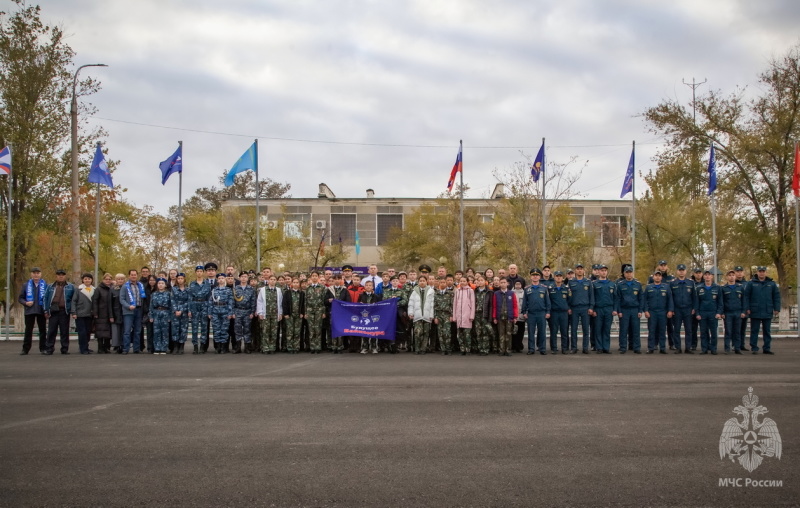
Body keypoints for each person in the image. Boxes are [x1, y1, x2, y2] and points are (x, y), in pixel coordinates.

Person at [745, 266, 780, 355]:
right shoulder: (751, 283)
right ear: (757, 272)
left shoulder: (771, 284)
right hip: (755, 310)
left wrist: (776, 308)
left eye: (763, 271)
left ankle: (767, 348)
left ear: (766, 272)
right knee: (754, 330)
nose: (761, 273)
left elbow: (776, 297)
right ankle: (754, 348)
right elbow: (746, 296)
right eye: (760, 271)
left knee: (767, 331)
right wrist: (747, 308)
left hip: (767, 310)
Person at [43, 269, 75, 355]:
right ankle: (49, 348)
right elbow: (45, 298)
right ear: (56, 276)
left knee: (64, 331)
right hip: (53, 311)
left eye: (63, 275)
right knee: (51, 331)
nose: (61, 276)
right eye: (59, 275)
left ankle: (64, 349)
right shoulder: (50, 286)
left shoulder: (70, 286)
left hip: (64, 311)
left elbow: (73, 300)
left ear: (65, 276)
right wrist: (46, 310)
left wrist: (73, 311)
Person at [669, 264, 697, 354]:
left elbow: (694, 297)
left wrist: (694, 308)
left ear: (686, 271)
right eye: (680, 270)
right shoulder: (672, 283)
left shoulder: (691, 282)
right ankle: (678, 347)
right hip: (677, 310)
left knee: (688, 330)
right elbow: (670, 298)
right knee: (676, 329)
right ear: (677, 271)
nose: (681, 271)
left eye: (683, 270)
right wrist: (671, 309)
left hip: (688, 309)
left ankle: (688, 347)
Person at [643, 271, 674, 354]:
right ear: (653, 277)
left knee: (662, 330)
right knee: (652, 331)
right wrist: (646, 310)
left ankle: (663, 348)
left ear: (661, 278)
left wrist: (670, 310)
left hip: (662, 312)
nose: (657, 277)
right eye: (656, 275)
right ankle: (650, 348)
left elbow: (670, 300)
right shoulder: (649, 287)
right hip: (652, 312)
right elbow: (645, 300)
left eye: (659, 276)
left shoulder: (666, 287)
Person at [18, 266, 47, 355]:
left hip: (41, 310)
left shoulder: (45, 285)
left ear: (40, 274)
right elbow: (20, 298)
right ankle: (25, 349)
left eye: (38, 273)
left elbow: (48, 298)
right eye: (34, 273)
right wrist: (26, 303)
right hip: (29, 311)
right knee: (28, 330)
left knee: (42, 330)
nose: (36, 275)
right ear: (31, 274)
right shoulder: (26, 285)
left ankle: (43, 348)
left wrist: (47, 310)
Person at [615, 266, 643, 354]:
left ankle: (636, 347)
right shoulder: (620, 284)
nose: (629, 274)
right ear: (624, 273)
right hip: (624, 310)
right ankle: (623, 347)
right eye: (627, 272)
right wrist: (619, 311)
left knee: (636, 330)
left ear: (632, 273)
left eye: (630, 272)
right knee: (623, 330)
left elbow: (641, 298)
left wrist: (640, 311)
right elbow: (618, 299)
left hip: (635, 309)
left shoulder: (637, 284)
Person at [521, 268, 550, 355]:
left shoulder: (544, 288)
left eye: (537, 275)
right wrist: (524, 312)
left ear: (539, 277)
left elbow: (547, 301)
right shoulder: (527, 289)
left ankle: (542, 348)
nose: (535, 277)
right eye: (533, 275)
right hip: (531, 314)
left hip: (541, 313)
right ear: (531, 277)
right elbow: (524, 302)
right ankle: (531, 349)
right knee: (531, 332)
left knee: (542, 332)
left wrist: (548, 311)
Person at [589, 264, 615, 354]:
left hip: (609, 309)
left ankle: (606, 347)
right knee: (598, 329)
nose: (604, 272)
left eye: (605, 270)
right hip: (598, 309)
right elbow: (592, 298)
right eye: (602, 270)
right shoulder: (594, 284)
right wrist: (593, 309)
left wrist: (614, 309)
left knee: (607, 329)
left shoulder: (612, 284)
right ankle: (599, 347)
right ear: (598, 272)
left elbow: (615, 298)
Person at [568, 263, 594, 354]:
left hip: (585, 308)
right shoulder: (571, 282)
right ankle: (574, 347)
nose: (579, 270)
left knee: (586, 329)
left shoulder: (588, 282)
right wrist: (569, 307)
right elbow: (568, 296)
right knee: (573, 329)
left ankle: (585, 347)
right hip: (574, 308)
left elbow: (591, 296)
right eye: (578, 268)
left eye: (581, 268)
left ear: (583, 270)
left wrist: (591, 307)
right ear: (575, 270)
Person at [696, 270, 723, 355]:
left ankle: (713, 348)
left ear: (712, 276)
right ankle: (704, 348)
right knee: (703, 332)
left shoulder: (717, 288)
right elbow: (697, 302)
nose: (707, 276)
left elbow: (720, 302)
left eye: (709, 275)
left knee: (714, 332)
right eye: (706, 275)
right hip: (703, 313)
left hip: (713, 313)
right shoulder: (699, 288)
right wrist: (697, 313)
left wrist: (719, 312)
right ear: (703, 277)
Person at [721, 269, 747, 354]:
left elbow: (744, 301)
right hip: (728, 313)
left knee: (737, 331)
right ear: (727, 277)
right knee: (728, 331)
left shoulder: (740, 287)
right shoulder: (723, 288)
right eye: (729, 275)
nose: (731, 277)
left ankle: (737, 348)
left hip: (738, 312)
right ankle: (727, 348)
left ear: (735, 276)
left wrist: (743, 312)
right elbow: (721, 302)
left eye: (733, 275)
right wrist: (722, 313)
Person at [120, 269, 145, 354]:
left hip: (138, 310)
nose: (133, 276)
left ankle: (136, 348)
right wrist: (128, 306)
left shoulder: (140, 285)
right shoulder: (125, 286)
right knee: (127, 331)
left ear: (137, 275)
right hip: (128, 311)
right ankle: (125, 349)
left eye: (135, 274)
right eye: (132, 274)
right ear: (129, 276)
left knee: (137, 330)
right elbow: (122, 299)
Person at [408, 275, 434, 355]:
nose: (422, 282)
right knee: (417, 332)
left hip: (427, 315)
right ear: (418, 282)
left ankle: (423, 349)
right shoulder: (414, 291)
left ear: (427, 282)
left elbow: (432, 304)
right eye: (420, 281)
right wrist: (410, 313)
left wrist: (431, 315)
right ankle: (417, 348)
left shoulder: (431, 291)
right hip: (417, 315)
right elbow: (411, 303)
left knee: (426, 333)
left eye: (423, 281)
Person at [188, 265, 212, 354]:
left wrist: (209, 310)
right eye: (197, 271)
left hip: (204, 305)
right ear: (195, 273)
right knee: (194, 327)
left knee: (204, 327)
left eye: (201, 271)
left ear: (203, 273)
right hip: (194, 305)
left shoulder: (207, 284)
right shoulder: (192, 284)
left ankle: (202, 346)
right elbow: (189, 297)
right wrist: (189, 309)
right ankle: (195, 346)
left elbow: (209, 298)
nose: (199, 273)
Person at [257, 274, 283, 354]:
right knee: (265, 331)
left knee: (274, 332)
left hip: (275, 314)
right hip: (266, 313)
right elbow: (259, 301)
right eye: (271, 279)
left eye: (274, 279)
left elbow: (281, 303)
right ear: (268, 281)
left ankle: (272, 348)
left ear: (276, 281)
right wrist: (260, 312)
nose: (272, 281)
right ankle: (265, 347)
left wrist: (280, 313)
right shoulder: (263, 290)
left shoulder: (278, 290)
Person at [71, 273, 96, 355]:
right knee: (82, 332)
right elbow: (74, 301)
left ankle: (86, 346)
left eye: (89, 279)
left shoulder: (94, 290)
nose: (87, 280)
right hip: (80, 314)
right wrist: (74, 312)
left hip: (90, 314)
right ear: (83, 280)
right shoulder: (78, 290)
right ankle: (83, 348)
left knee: (88, 332)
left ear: (91, 280)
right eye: (85, 279)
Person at [232, 271, 256, 354]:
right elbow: (232, 301)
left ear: (247, 278)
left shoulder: (251, 289)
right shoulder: (235, 288)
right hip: (238, 311)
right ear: (239, 278)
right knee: (237, 330)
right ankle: (238, 347)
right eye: (242, 277)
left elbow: (253, 301)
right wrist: (233, 312)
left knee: (247, 330)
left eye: (245, 277)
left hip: (247, 311)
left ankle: (247, 347)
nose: (243, 278)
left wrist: (252, 312)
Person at [208, 273, 234, 353]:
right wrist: (210, 312)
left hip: (225, 311)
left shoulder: (228, 290)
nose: (221, 279)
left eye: (222, 278)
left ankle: (223, 347)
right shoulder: (214, 290)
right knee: (216, 330)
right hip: (215, 311)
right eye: (219, 278)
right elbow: (210, 302)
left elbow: (231, 302)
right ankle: (218, 347)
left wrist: (230, 313)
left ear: (225, 279)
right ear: (217, 280)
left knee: (224, 329)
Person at [493, 277, 518, 356]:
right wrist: (494, 317)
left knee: (508, 334)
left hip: (509, 317)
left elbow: (515, 306)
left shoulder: (511, 293)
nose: (503, 284)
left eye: (504, 282)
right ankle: (501, 349)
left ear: (507, 284)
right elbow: (494, 306)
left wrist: (515, 316)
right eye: (501, 282)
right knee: (501, 334)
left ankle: (508, 350)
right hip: (500, 317)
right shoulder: (496, 294)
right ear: (499, 284)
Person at [381, 275, 406, 354]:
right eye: (393, 281)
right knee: (389, 328)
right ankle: (389, 345)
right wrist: (391, 301)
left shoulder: (401, 291)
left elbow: (405, 300)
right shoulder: (386, 291)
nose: (395, 282)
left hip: (398, 311)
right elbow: (384, 299)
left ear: (398, 282)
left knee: (399, 328)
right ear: (391, 282)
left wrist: (396, 303)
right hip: (389, 312)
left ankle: (397, 345)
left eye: (396, 281)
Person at [325, 274, 350, 354]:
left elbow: (348, 302)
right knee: (332, 329)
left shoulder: (344, 290)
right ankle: (333, 346)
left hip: (341, 313)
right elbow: (324, 301)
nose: (337, 280)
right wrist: (328, 300)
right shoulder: (329, 290)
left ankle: (340, 346)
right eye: (335, 279)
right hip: (332, 312)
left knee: (340, 329)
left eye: (338, 279)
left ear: (341, 280)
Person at [304, 272, 327, 354]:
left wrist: (324, 312)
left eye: (315, 276)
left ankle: (318, 347)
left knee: (318, 329)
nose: (314, 277)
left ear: (318, 277)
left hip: (319, 310)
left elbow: (324, 300)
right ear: (310, 277)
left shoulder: (322, 287)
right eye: (313, 276)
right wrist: (305, 312)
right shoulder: (308, 288)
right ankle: (312, 347)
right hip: (310, 310)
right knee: (311, 329)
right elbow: (305, 301)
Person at [548, 271, 571, 354]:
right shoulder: (550, 288)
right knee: (553, 331)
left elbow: (569, 300)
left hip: (563, 313)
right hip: (554, 313)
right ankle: (554, 348)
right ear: (554, 277)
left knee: (564, 331)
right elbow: (548, 301)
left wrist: (568, 308)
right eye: (557, 276)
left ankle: (564, 348)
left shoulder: (566, 288)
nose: (558, 278)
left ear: (562, 278)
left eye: (560, 276)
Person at [148, 278, 173, 355]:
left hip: (165, 313)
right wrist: (151, 316)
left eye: (162, 283)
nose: (160, 285)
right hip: (156, 313)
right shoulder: (154, 294)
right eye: (159, 283)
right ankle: (157, 348)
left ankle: (164, 348)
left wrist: (170, 316)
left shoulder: (169, 294)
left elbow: (171, 306)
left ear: (165, 285)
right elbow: (151, 306)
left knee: (165, 332)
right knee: (156, 331)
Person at [92, 273, 114, 354]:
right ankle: (100, 348)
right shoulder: (98, 289)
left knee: (108, 332)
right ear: (103, 280)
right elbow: (95, 301)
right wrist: (95, 312)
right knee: (100, 332)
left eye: (109, 279)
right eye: (106, 279)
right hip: (100, 313)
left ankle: (107, 348)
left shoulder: (112, 288)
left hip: (109, 313)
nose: (108, 281)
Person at [453, 276, 475, 355]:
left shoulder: (470, 291)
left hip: (467, 316)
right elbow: (455, 304)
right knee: (460, 335)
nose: (462, 282)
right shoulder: (457, 291)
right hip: (459, 316)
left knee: (467, 335)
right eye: (461, 281)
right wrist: (454, 316)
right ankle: (462, 349)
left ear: (467, 282)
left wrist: (472, 315)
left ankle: (468, 349)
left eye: (464, 281)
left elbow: (472, 304)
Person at [358, 279, 382, 354]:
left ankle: (374, 347)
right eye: (367, 285)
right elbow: (357, 305)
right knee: (365, 331)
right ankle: (365, 347)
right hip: (364, 316)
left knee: (373, 331)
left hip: (373, 316)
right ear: (364, 287)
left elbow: (379, 306)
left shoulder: (376, 296)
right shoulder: (361, 295)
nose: (368, 287)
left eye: (370, 285)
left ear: (373, 287)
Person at [282, 278, 305, 353]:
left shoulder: (302, 293)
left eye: (297, 282)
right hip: (290, 314)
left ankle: (296, 347)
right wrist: (285, 313)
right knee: (290, 331)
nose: (295, 284)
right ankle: (290, 347)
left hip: (298, 315)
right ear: (292, 284)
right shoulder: (287, 293)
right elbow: (284, 304)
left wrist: (302, 313)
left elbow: (304, 304)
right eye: (294, 282)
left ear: (299, 284)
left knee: (297, 331)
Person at [473, 275, 494, 355]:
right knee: (478, 332)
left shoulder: (489, 292)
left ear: (485, 282)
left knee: (485, 332)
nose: (480, 282)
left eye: (482, 280)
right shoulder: (475, 291)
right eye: (479, 280)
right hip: (477, 314)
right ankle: (480, 348)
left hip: (484, 314)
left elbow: (491, 305)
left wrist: (490, 317)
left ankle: (485, 349)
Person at [171, 273, 190, 354]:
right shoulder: (174, 289)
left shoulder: (188, 290)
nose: (180, 280)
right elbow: (172, 300)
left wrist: (181, 310)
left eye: (182, 278)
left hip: (184, 312)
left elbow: (189, 301)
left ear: (184, 279)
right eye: (178, 278)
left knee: (183, 329)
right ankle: (175, 347)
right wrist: (176, 310)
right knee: (175, 329)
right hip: (175, 313)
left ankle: (181, 346)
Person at [110, 273, 126, 353]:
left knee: (124, 330)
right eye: (118, 279)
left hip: (125, 312)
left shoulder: (127, 289)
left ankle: (123, 345)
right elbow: (110, 303)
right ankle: (117, 345)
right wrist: (111, 315)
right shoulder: (112, 289)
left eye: (122, 279)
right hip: (116, 312)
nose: (120, 280)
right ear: (116, 280)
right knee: (116, 331)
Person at [143, 275, 158, 353]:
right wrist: (147, 310)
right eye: (150, 280)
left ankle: (156, 347)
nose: (152, 282)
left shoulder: (158, 290)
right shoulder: (145, 290)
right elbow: (143, 301)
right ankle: (149, 347)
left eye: (153, 280)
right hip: (148, 313)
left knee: (156, 331)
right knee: (149, 331)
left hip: (157, 313)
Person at [512, 280, 525, 353]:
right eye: (516, 284)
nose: (517, 285)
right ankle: (513, 346)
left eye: (519, 284)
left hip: (521, 315)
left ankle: (519, 346)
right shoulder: (511, 292)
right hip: (514, 316)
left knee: (520, 332)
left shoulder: (524, 293)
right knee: (514, 332)